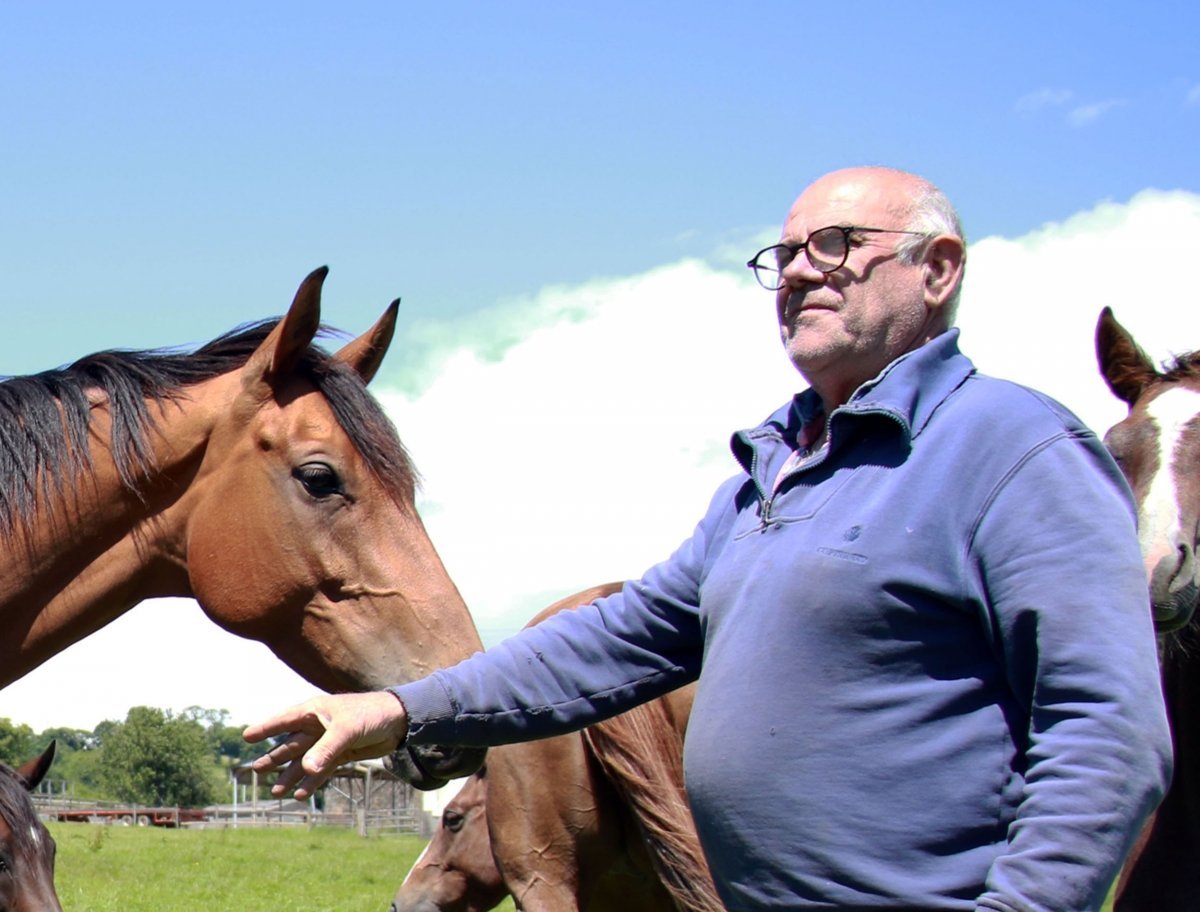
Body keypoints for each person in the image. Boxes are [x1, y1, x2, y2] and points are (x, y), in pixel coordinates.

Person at [245, 166, 1172, 911]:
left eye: (836, 245)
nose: (798, 272)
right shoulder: (772, 479)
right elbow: (611, 641)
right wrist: (396, 709)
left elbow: (1107, 732)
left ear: (938, 269)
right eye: (785, 255)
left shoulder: (1014, 449)